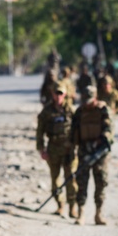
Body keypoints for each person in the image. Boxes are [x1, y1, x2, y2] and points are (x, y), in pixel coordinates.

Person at [71, 84, 113, 225]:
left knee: (100, 182)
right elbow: (73, 132)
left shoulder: (103, 110)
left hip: (99, 152)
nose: (86, 102)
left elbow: (109, 130)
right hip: (84, 150)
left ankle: (98, 214)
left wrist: (101, 141)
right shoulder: (79, 111)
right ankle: (81, 213)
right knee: (81, 182)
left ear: (95, 97)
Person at [35, 86, 77, 217]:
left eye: (61, 94)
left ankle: (72, 207)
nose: (58, 96)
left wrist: (78, 147)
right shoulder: (47, 111)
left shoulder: (70, 110)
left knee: (71, 179)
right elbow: (40, 131)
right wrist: (41, 149)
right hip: (53, 148)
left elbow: (78, 128)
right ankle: (60, 205)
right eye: (56, 93)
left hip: (69, 149)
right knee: (55, 179)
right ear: (53, 94)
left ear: (65, 94)